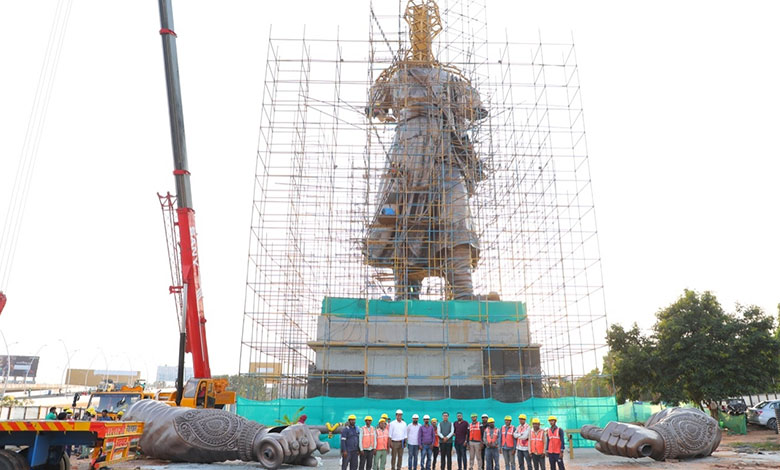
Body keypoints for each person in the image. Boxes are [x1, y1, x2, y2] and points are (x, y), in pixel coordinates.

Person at [363, 1, 488, 301]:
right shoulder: (395, 77)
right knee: (401, 219)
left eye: (425, 25)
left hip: (444, 152)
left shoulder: (451, 79)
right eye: (415, 25)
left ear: (435, 31)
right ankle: (406, 295)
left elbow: (474, 110)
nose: (420, 32)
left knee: (456, 214)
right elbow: (376, 109)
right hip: (407, 156)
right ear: (408, 30)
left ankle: (462, 292)